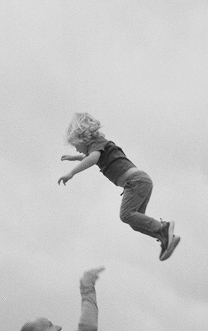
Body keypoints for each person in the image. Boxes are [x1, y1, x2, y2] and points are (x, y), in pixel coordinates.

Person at [58, 112, 180, 262]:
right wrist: (74, 157)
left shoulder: (96, 144)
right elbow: (91, 156)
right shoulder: (99, 146)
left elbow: (92, 158)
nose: (76, 150)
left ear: (84, 138)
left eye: (76, 146)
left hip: (135, 182)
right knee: (134, 222)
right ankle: (166, 236)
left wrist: (72, 173)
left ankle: (163, 228)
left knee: (126, 215)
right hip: (140, 182)